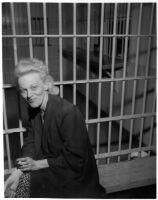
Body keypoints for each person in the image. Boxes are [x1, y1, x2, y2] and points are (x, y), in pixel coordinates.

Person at [4, 58, 106, 198]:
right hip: (52, 167)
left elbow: (75, 160)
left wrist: (37, 165)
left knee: (22, 189)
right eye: (23, 90)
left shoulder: (68, 112)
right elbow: (32, 139)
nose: (29, 96)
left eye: (34, 87)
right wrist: (19, 170)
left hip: (73, 177)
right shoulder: (34, 108)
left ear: (46, 84)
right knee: (13, 185)